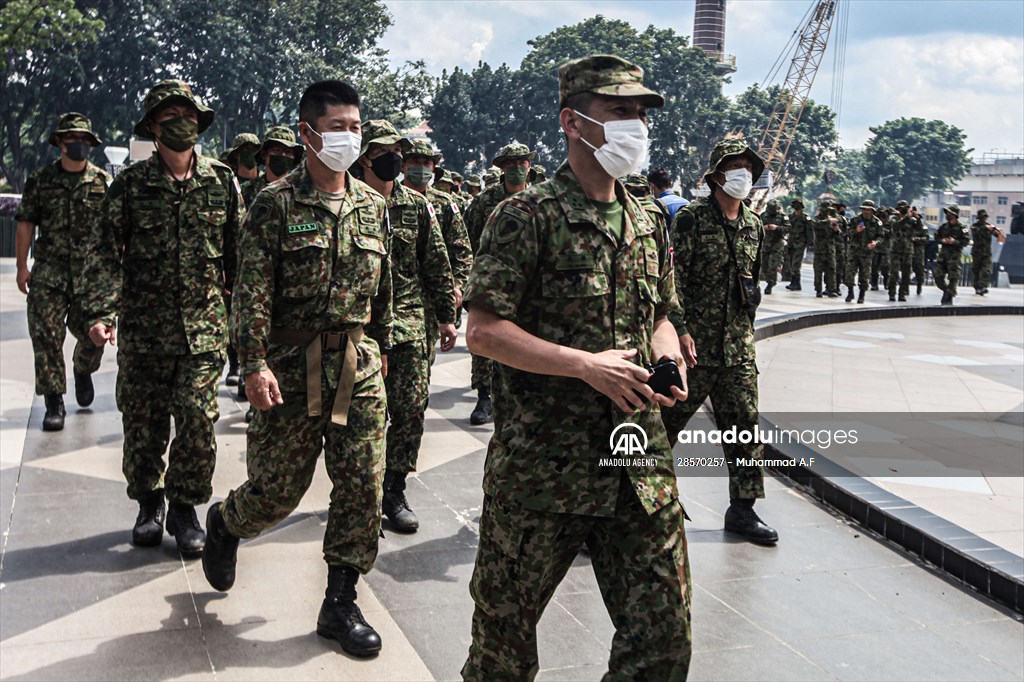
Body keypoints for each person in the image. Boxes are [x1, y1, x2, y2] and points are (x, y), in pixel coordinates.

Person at [462, 53, 691, 680]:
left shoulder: (646, 221)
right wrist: (584, 365)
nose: (637, 126)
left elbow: (663, 314)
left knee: (664, 642)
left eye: (641, 114)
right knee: (501, 653)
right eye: (620, 112)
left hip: (637, 464)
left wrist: (666, 351)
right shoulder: (527, 216)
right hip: (544, 468)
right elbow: (483, 331)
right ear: (573, 121)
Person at [201, 80, 393, 657]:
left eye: (356, 127)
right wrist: (253, 363)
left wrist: (378, 345)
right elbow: (252, 291)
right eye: (338, 127)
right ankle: (227, 522)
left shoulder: (373, 206)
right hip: (288, 367)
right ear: (308, 132)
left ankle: (339, 603)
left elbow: (381, 291)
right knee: (276, 493)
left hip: (357, 370)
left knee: (363, 485)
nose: (350, 137)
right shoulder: (276, 203)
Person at [83, 80, 242, 555]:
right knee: (144, 425)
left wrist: (247, 322)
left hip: (203, 332)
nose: (181, 121)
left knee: (197, 420)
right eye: (169, 114)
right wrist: (99, 311)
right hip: (144, 332)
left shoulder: (221, 181)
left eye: (187, 113)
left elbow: (241, 255)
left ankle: (186, 506)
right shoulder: (130, 186)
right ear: (152, 126)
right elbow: (105, 254)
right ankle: (149, 503)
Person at [662, 136, 778, 546]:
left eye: (748, 167)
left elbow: (753, 284)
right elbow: (671, 280)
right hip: (693, 350)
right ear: (716, 175)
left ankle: (743, 510)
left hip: (738, 351)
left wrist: (744, 333)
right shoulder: (692, 218)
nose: (743, 174)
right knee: (662, 426)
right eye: (735, 166)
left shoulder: (754, 225)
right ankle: (631, 505)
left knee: (744, 429)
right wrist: (679, 330)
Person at [357, 120, 458, 534]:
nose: (394, 159)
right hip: (361, 331)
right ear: (365, 157)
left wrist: (448, 315)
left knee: (411, 410)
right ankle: (361, 491)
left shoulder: (417, 206)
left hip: (411, 324)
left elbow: (435, 262)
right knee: (362, 418)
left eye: (397, 150)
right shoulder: (349, 200)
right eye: (384, 151)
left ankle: (393, 490)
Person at [15, 112, 112, 431]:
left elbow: (115, 229)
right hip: (50, 274)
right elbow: (26, 223)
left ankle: (83, 370)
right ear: (60, 142)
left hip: (90, 277)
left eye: (84, 140)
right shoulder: (41, 181)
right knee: (45, 337)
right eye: (72, 139)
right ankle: (54, 400)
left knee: (96, 335)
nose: (78, 144)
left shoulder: (102, 182)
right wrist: (21, 267)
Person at [462, 141, 535, 425]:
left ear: (529, 166)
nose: (517, 169)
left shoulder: (542, 200)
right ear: (501, 169)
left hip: (528, 285)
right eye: (511, 164)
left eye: (522, 163)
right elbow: (466, 241)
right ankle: (484, 396)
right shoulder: (484, 202)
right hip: (490, 282)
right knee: (485, 339)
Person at [237, 125, 305, 423]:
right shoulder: (249, 192)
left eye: (289, 153)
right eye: (277, 151)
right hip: (252, 277)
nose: (283, 157)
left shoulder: (302, 193)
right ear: (264, 155)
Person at [402, 140, 474, 363]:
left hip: (432, 298)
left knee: (422, 362)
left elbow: (461, 250)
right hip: (399, 297)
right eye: (415, 161)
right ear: (403, 165)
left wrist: (458, 285)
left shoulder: (444, 204)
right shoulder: (387, 198)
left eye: (426, 162)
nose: (420, 167)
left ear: (433, 168)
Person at [219, 133, 260, 391]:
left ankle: (247, 370)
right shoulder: (229, 183)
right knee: (231, 317)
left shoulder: (267, 184)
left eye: (253, 150)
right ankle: (235, 364)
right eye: (244, 150)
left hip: (255, 259)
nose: (249, 154)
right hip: (233, 260)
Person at [845, 200, 884, 303]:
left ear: (872, 211)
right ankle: (850, 292)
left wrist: (875, 243)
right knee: (849, 273)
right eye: (864, 209)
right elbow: (847, 232)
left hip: (867, 253)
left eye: (868, 210)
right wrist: (856, 231)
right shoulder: (854, 220)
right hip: (854, 251)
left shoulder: (877, 222)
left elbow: (881, 236)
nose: (866, 211)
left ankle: (861, 295)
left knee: (864, 275)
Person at [933, 205, 971, 305]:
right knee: (938, 276)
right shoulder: (944, 226)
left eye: (949, 213)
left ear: (955, 215)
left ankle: (949, 295)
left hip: (954, 257)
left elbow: (966, 241)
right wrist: (942, 240)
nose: (947, 215)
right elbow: (936, 236)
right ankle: (948, 291)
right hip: (943, 256)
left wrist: (955, 241)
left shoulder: (962, 228)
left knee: (953, 278)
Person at [888, 200, 918, 302]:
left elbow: (919, 228)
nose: (903, 210)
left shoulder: (911, 220)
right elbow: (895, 227)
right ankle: (892, 293)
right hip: (896, 250)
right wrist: (906, 218)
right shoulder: (894, 218)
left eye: (905, 208)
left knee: (906, 274)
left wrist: (917, 217)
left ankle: (902, 293)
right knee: (894, 273)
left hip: (908, 250)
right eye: (902, 208)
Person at [759, 199, 789, 294]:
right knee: (764, 265)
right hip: (765, 244)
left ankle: (770, 284)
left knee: (773, 266)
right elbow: (756, 226)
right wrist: (763, 228)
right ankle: (768, 280)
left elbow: (788, 228)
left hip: (777, 245)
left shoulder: (783, 217)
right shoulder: (763, 215)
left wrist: (777, 228)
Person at [811, 199, 839, 298]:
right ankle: (818, 290)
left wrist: (836, 229)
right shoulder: (816, 219)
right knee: (818, 271)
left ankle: (831, 289)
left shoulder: (832, 219)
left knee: (831, 270)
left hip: (830, 250)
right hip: (820, 250)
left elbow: (837, 234)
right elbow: (817, 225)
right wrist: (829, 221)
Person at [970, 209, 1001, 295]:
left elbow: (999, 235)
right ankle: (977, 287)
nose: (983, 219)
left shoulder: (989, 226)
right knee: (976, 270)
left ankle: (983, 286)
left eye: (985, 217)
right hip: (977, 252)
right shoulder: (974, 226)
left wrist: (995, 230)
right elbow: (975, 232)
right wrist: (985, 228)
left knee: (986, 270)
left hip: (986, 253)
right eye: (982, 217)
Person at [783, 198, 810, 290]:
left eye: (798, 204)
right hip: (791, 243)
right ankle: (794, 282)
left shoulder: (806, 218)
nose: (796, 206)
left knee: (796, 264)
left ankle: (796, 283)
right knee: (791, 263)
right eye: (795, 204)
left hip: (800, 243)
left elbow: (809, 230)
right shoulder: (790, 217)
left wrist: (809, 242)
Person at [910, 206, 929, 295]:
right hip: (906, 249)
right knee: (905, 268)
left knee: (919, 269)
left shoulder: (922, 227)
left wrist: (916, 239)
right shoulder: (907, 225)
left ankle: (919, 284)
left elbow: (926, 239)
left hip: (918, 251)